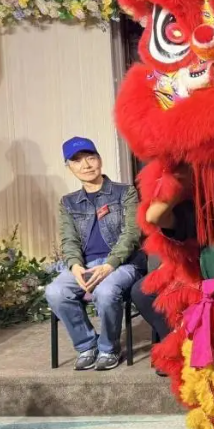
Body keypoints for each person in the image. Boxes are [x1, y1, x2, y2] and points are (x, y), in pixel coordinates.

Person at [45, 137, 143, 371]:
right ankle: (87, 346)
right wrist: (75, 266)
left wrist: (110, 265)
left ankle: (109, 348)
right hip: (87, 265)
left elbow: (132, 234)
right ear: (69, 167)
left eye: (90, 158)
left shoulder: (125, 192)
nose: (86, 165)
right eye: (77, 161)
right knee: (55, 291)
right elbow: (69, 240)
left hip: (123, 264)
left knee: (106, 291)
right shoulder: (68, 202)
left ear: (99, 159)